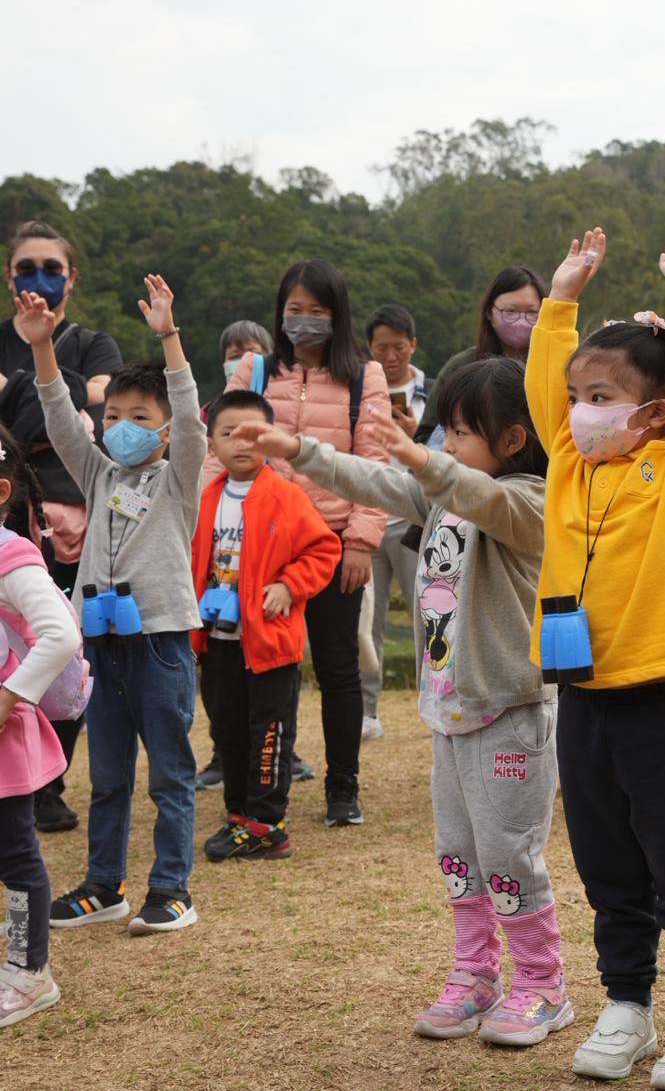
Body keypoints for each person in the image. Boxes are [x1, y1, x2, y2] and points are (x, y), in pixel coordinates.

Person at [230, 357, 572, 1046]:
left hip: (510, 712)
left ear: (511, 440)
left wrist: (424, 460)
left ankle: (543, 983)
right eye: (443, 429)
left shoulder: (531, 503)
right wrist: (300, 450)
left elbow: (479, 496)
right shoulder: (443, 495)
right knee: (458, 853)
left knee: (509, 853)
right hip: (451, 710)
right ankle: (476, 973)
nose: (444, 443)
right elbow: (376, 480)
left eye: (460, 431)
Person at [526, 225, 665, 1091]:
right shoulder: (567, 463)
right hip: (583, 698)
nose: (580, 410)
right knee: (607, 865)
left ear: (654, 412)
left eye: (602, 396)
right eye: (576, 395)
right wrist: (560, 302)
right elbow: (543, 388)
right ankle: (627, 1002)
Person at [21, 275, 207, 935]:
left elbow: (189, 416)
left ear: (167, 429)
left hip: (159, 642)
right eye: (113, 417)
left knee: (169, 773)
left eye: (140, 418)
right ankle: (105, 885)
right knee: (106, 776)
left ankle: (172, 889)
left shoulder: (180, 477)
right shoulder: (99, 474)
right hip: (99, 645)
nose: (122, 429)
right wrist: (42, 348)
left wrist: (169, 337)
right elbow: (59, 420)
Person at [225, 259, 389, 827]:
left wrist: (362, 539)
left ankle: (343, 786)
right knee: (265, 667)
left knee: (338, 668)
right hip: (261, 542)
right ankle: (261, 785)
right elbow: (223, 447)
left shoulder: (364, 377)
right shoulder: (253, 370)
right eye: (294, 309)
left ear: (337, 315)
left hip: (334, 540)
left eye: (317, 311)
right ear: (280, 312)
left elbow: (374, 462)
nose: (304, 321)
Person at [0, 221, 123, 833]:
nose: (39, 279)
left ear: (72, 278)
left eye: (52, 267)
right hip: (8, 507)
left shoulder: (95, 343)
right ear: (9, 277)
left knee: (65, 639)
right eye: (26, 268)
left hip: (76, 508)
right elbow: (77, 403)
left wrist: (21, 389)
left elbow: (100, 399)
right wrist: (64, 400)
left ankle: (51, 781)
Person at [191, 391, 340, 861]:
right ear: (211, 443)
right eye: (229, 433)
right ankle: (239, 815)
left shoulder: (285, 495)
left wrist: (290, 586)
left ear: (271, 439)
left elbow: (324, 549)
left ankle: (268, 823)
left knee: (270, 732)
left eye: (253, 434)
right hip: (217, 638)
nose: (241, 442)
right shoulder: (205, 498)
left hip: (270, 640)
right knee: (226, 729)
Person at [0, 425, 83, 1024]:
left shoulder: (10, 555)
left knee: (15, 853)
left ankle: (29, 972)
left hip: (4, 735)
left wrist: (10, 696)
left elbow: (60, 634)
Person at [361, 302, 427, 740]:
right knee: (368, 622)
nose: (390, 356)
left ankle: (435, 699)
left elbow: (448, 452)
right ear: (369, 348)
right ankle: (367, 712)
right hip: (368, 516)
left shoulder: (431, 392)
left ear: (413, 345)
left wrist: (414, 435)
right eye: (381, 348)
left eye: (398, 347)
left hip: (413, 519)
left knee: (428, 613)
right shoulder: (359, 391)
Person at [415, 266, 545, 446]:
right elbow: (425, 435)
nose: (521, 321)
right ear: (489, 313)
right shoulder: (461, 366)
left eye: (532, 312)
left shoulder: (555, 366)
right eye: (510, 311)